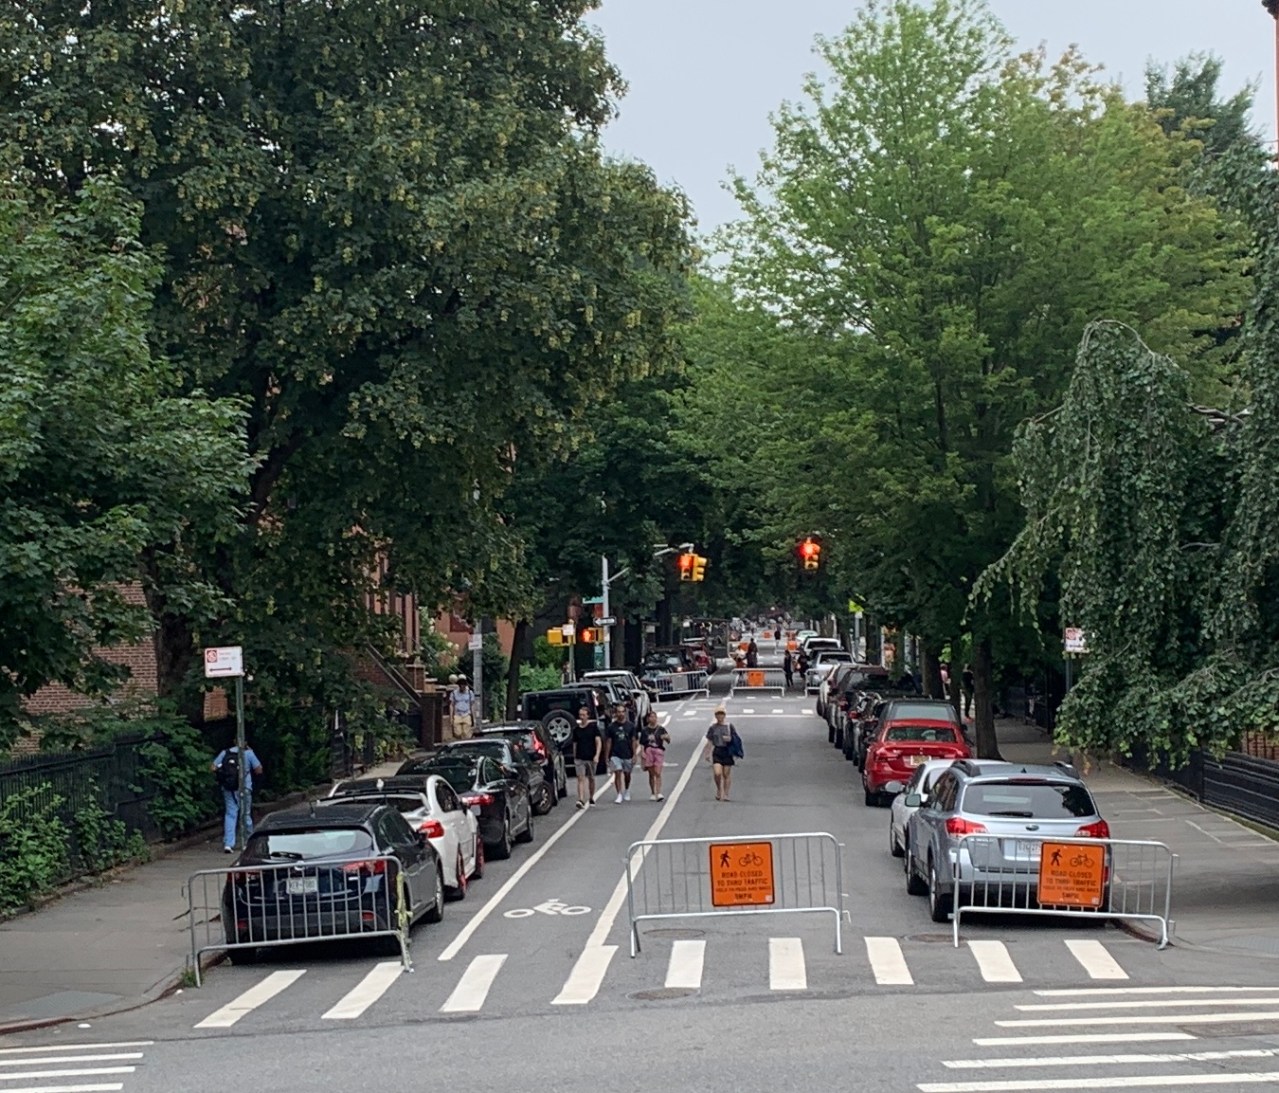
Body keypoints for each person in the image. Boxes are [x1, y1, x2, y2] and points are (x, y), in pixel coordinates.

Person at [212, 739, 263, 853]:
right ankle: (248, 841)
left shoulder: (225, 753)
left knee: (230, 814)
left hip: (229, 788)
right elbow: (259, 770)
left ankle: (229, 844)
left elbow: (213, 767)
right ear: (245, 742)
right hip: (245, 788)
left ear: (234, 741)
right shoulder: (249, 753)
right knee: (245, 814)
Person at [702, 706, 738, 802]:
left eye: (721, 714)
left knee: (726, 773)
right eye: (718, 714)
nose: (720, 716)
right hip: (717, 750)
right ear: (715, 716)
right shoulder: (713, 728)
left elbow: (735, 738)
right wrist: (707, 753)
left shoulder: (729, 726)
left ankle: (726, 793)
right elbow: (709, 740)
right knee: (717, 773)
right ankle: (719, 789)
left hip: (727, 751)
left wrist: (730, 740)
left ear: (724, 715)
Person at [604, 703, 637, 803]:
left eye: (622, 712)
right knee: (617, 772)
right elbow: (609, 741)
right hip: (615, 754)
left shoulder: (630, 726)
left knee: (627, 774)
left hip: (627, 754)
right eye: (619, 712)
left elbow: (634, 740)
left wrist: (635, 754)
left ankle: (626, 790)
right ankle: (619, 794)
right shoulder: (611, 727)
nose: (621, 714)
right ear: (616, 713)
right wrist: (607, 756)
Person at [570, 707, 603, 809]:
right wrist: (574, 756)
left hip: (591, 757)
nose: (582, 717)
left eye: (584, 715)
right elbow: (575, 744)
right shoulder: (576, 730)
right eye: (580, 715)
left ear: (588, 716)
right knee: (580, 778)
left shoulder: (593, 728)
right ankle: (581, 799)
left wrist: (597, 755)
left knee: (591, 778)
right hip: (580, 758)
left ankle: (591, 797)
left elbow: (598, 742)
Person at [637, 710, 671, 801]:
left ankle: (659, 792)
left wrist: (666, 738)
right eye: (651, 717)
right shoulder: (645, 730)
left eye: (654, 717)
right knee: (651, 773)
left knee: (658, 772)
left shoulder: (661, 729)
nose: (653, 719)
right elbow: (642, 743)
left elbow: (668, 740)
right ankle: (652, 792)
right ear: (648, 719)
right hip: (649, 751)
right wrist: (642, 753)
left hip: (658, 751)